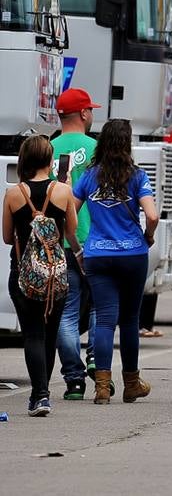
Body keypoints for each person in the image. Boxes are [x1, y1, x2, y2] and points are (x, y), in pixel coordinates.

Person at [72, 119, 158, 404]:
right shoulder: (137, 176)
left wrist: (77, 248)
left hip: (98, 254)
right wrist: (148, 235)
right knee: (130, 320)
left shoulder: (88, 176)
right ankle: (131, 383)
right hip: (132, 254)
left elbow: (68, 217)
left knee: (106, 320)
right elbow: (153, 215)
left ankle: (101, 387)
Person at [3, 136, 81, 417]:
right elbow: (70, 230)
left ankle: (40, 396)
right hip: (55, 276)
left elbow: (7, 238)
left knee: (32, 334)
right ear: (50, 161)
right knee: (49, 335)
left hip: (23, 274)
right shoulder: (63, 191)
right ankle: (43, 393)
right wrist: (67, 192)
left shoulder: (14, 193)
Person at [51, 87, 100, 400]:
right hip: (93, 240)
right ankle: (97, 356)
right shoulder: (96, 148)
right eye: (91, 110)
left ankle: (73, 380)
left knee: (66, 314)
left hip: (58, 242)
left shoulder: (46, 148)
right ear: (83, 114)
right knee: (100, 305)